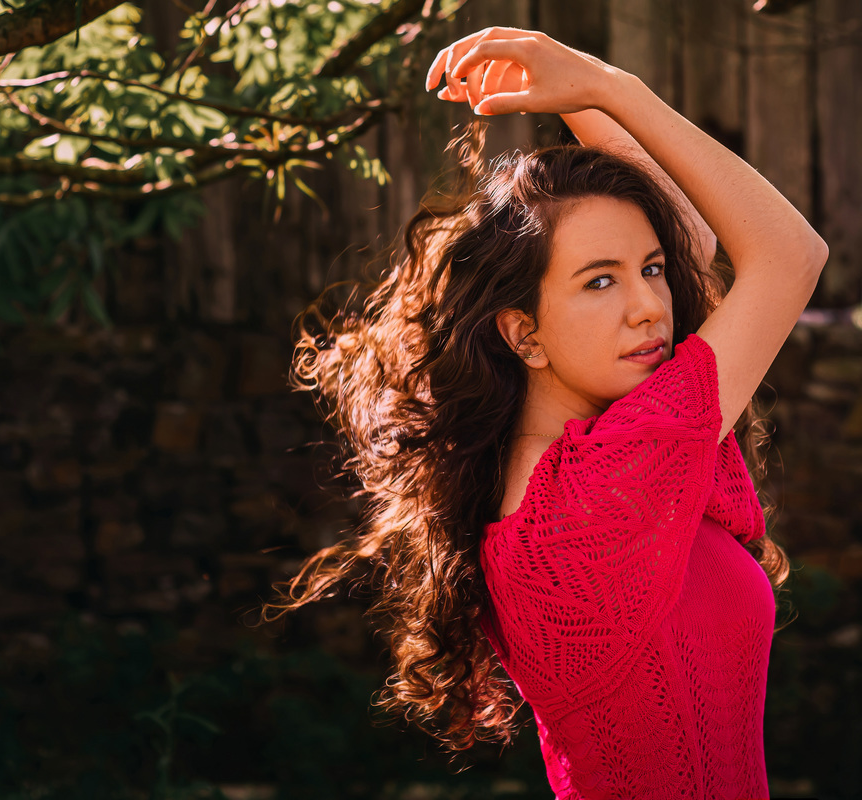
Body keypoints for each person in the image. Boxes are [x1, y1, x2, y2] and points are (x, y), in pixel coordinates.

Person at [263, 27, 828, 799]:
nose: (649, 307)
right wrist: (608, 87)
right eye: (600, 282)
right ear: (523, 332)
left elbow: (692, 236)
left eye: (649, 271)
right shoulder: (597, 490)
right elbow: (789, 255)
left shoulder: (557, 471)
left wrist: (586, 103)